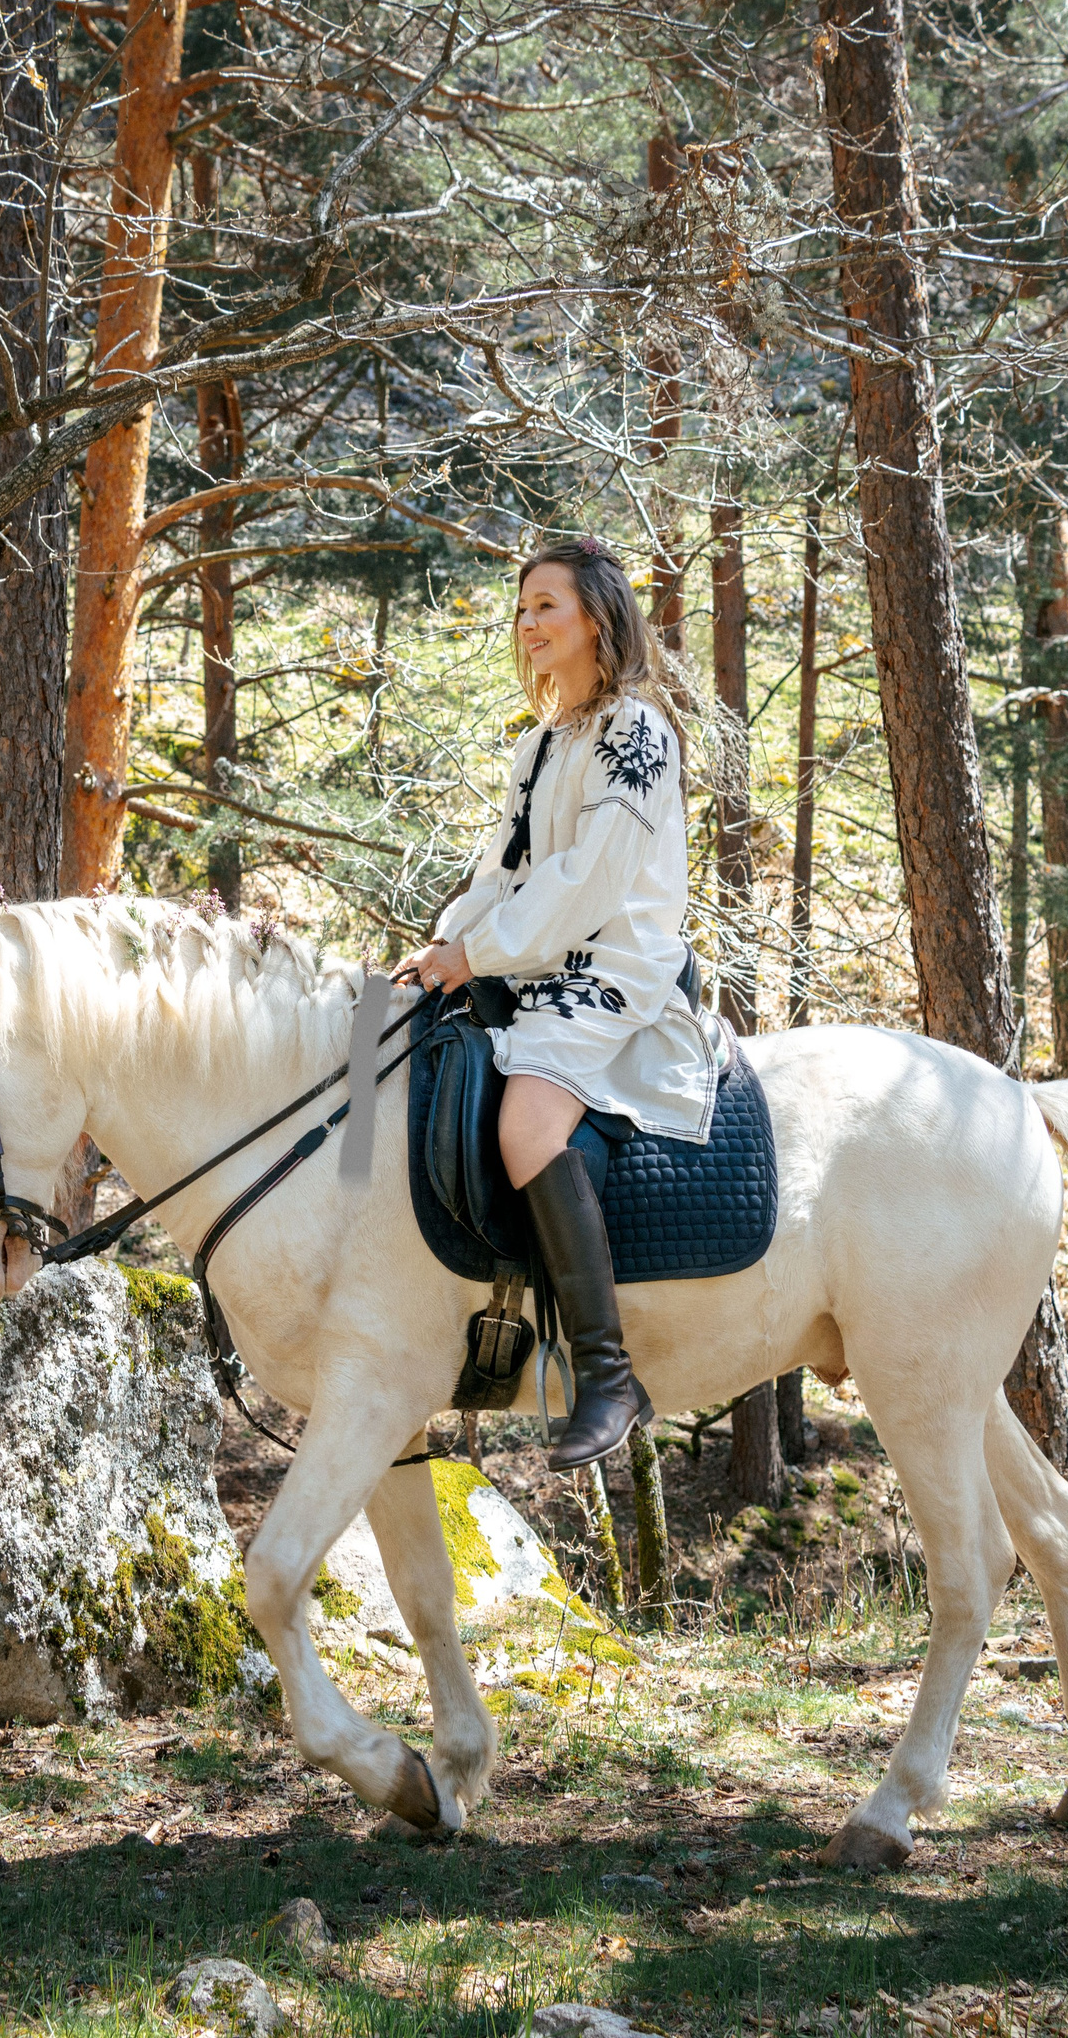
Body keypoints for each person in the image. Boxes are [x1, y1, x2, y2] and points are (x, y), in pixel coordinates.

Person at [398, 536, 726, 1471]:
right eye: (523, 608)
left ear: (597, 618)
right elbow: (499, 870)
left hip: (614, 964)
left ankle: (608, 1374)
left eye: (548, 604)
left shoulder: (637, 733)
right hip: (530, 961)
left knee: (529, 1127)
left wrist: (481, 953)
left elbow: (587, 884)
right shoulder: (539, 745)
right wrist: (446, 945)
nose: (529, 622)